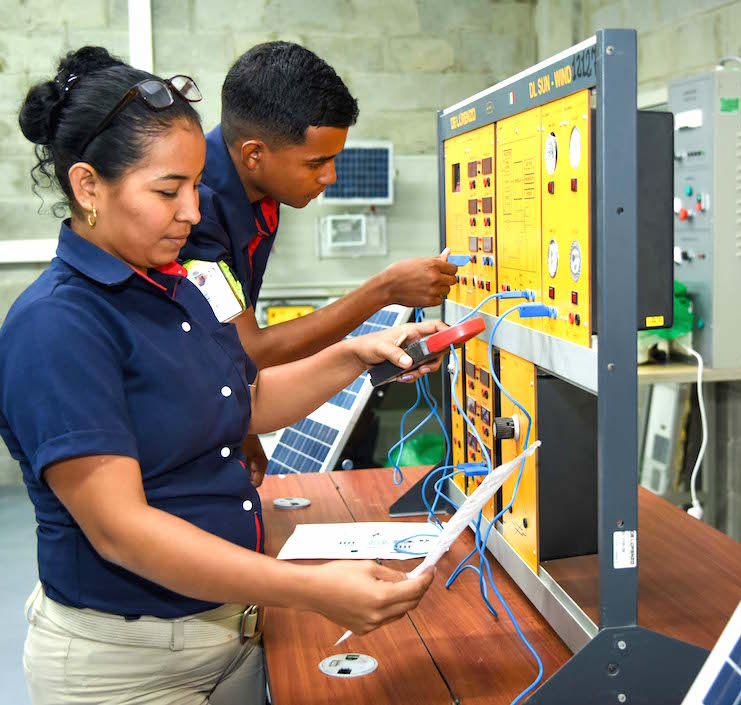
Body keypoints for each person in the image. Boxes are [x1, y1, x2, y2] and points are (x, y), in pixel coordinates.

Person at [1, 46, 438, 705]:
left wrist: (360, 353)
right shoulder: (57, 326)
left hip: (229, 632)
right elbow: (121, 528)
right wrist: (312, 587)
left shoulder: (173, 288)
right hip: (129, 668)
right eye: (167, 191)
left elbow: (247, 399)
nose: (194, 212)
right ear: (88, 186)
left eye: (195, 187)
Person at [179, 41, 458, 484]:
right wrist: (382, 291)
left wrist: (241, 422)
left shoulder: (259, 196)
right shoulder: (199, 208)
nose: (329, 176)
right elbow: (249, 351)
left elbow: (233, 353)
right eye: (317, 162)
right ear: (254, 154)